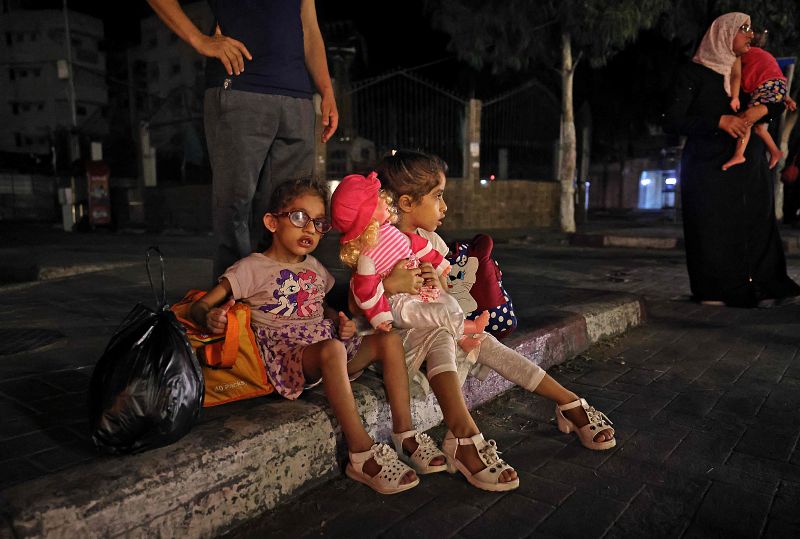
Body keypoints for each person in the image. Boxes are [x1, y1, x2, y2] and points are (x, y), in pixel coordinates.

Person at [350, 150, 616, 493]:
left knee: (481, 340)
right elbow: (356, 306)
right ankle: (463, 434)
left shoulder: (432, 244)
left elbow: (445, 296)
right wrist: (390, 285)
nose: (444, 207)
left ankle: (567, 401)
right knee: (445, 333)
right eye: (437, 196)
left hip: (439, 333)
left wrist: (434, 281)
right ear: (406, 202)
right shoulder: (372, 242)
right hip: (397, 346)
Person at [188, 178, 447, 495]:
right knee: (332, 350)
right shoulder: (250, 268)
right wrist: (210, 317)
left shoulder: (314, 267)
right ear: (272, 222)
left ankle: (405, 434)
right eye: (299, 217)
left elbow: (322, 308)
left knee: (388, 339)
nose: (309, 229)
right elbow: (201, 306)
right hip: (291, 359)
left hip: (330, 350)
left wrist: (341, 322)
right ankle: (361, 453)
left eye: (319, 223)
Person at [146, 0, 339, 280]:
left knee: (292, 209)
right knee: (234, 206)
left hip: (297, 98)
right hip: (240, 89)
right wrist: (199, 40)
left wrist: (326, 90)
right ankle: (233, 297)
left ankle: (280, 293)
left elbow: (309, 28)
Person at [663, 12, 800, 308]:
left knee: (758, 226)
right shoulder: (692, 73)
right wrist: (719, 121)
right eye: (743, 29)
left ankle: (767, 287)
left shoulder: (749, 65)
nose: (750, 35)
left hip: (750, 168)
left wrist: (762, 110)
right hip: (708, 167)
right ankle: (715, 290)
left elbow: (773, 101)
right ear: (723, 33)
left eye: (750, 29)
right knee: (712, 229)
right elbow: (672, 120)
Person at [330, 171, 489, 353]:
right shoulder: (366, 256)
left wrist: (439, 268)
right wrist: (380, 316)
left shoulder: (397, 234)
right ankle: (470, 328)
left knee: (448, 305)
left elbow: (419, 247)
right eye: (437, 196)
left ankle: (462, 337)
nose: (384, 200)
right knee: (437, 319)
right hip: (401, 307)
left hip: (423, 295)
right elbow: (364, 294)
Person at [724, 31, 797, 171]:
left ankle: (739, 154)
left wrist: (735, 96)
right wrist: (787, 98)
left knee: (745, 120)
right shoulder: (767, 56)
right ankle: (775, 151)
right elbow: (776, 77)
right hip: (777, 88)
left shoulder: (744, 53)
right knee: (758, 128)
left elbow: (736, 75)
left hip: (767, 89)